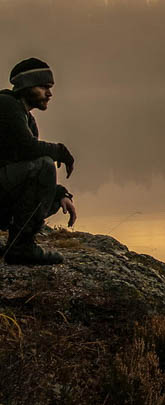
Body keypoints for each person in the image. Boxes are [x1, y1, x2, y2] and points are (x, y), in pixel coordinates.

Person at [0, 57, 76, 265]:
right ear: (27, 86)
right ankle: (21, 248)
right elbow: (27, 149)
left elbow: (22, 165)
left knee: (50, 195)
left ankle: (17, 242)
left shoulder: (27, 120)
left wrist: (61, 193)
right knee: (44, 164)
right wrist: (59, 151)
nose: (49, 94)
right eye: (44, 87)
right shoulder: (5, 104)